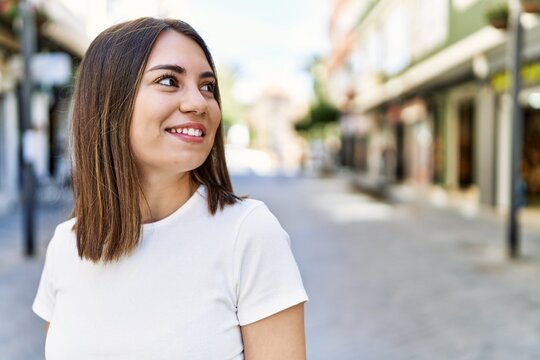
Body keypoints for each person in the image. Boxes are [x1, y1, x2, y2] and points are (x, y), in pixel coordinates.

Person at [32, 17, 308, 359]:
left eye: (207, 86)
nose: (199, 103)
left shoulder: (248, 234)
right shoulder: (66, 245)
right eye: (168, 80)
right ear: (109, 103)